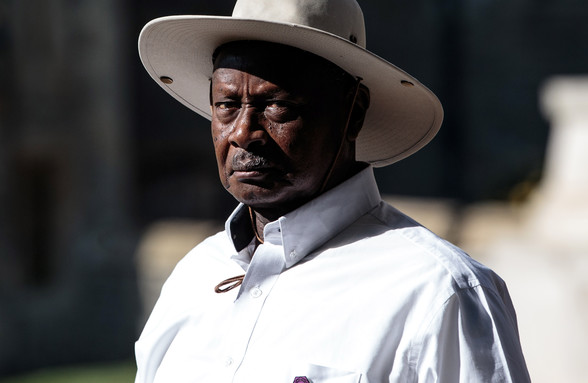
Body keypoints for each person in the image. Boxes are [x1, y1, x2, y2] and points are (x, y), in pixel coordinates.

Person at [135, 0, 531, 382]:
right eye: (226, 105)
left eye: (277, 106)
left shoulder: (437, 291)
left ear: (352, 112)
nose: (242, 133)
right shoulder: (196, 276)